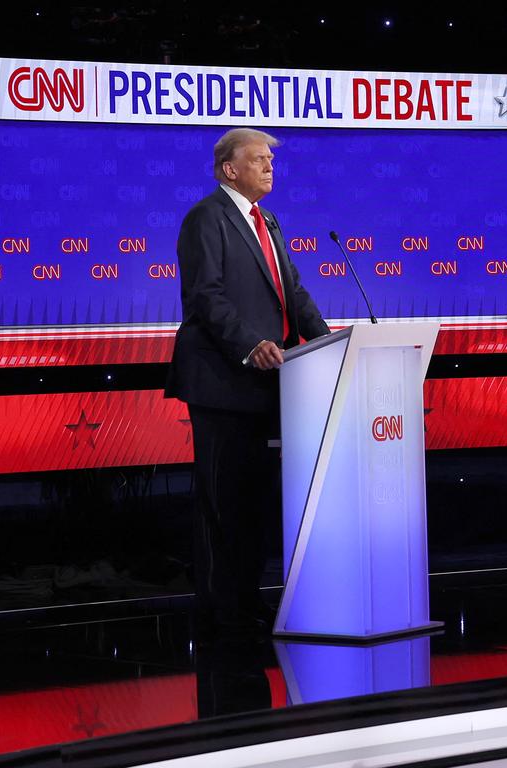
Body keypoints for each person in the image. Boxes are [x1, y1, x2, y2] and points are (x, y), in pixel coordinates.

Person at [165, 128, 329, 631]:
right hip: (222, 382)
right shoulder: (205, 218)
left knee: (255, 502)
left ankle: (246, 600)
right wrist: (247, 345)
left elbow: (291, 293)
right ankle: (219, 611)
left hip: (269, 384)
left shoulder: (268, 221)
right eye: (258, 159)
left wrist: (326, 343)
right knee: (223, 501)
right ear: (229, 169)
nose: (269, 167)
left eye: (270, 160)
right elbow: (205, 297)